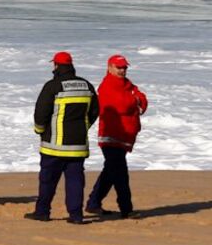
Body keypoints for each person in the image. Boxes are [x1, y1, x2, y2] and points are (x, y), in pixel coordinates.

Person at [26, 51, 99, 224]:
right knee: (75, 182)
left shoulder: (53, 86)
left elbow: (41, 112)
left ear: (56, 66)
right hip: (78, 146)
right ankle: (76, 216)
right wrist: (84, 127)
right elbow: (95, 111)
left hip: (53, 146)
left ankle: (42, 212)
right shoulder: (87, 85)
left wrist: (39, 130)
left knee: (47, 181)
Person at [86, 54, 148, 219]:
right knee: (120, 173)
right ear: (110, 68)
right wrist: (134, 100)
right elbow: (122, 106)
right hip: (111, 136)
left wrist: (135, 100)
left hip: (125, 135)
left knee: (110, 172)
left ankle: (93, 203)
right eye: (119, 67)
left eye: (124, 67)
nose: (122, 70)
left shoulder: (127, 84)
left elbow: (142, 100)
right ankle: (126, 209)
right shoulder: (107, 86)